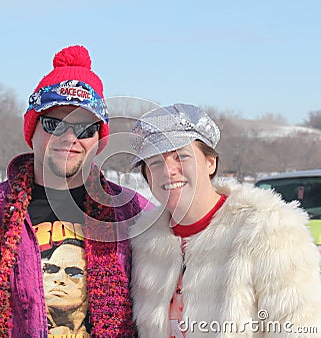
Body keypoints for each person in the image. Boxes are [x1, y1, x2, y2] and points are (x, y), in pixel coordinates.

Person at [0, 45, 151, 337]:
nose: (69, 138)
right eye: (54, 124)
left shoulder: (133, 214)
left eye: (84, 129)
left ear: (99, 139)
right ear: (32, 130)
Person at [128, 103, 321, 337]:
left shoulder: (268, 229)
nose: (168, 171)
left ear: (211, 162)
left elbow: (300, 328)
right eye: (155, 162)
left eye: (181, 156)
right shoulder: (144, 243)